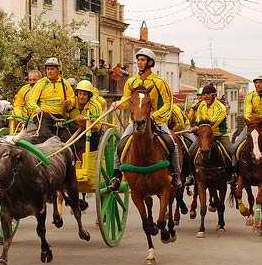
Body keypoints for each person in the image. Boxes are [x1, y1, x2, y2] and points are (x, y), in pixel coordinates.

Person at [110, 48, 182, 190]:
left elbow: (169, 103)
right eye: (138, 60)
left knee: (171, 143)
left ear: (150, 62)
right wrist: (117, 104)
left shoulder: (159, 82)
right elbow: (126, 100)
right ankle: (116, 176)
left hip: (157, 120)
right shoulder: (131, 82)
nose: (139, 62)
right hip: (136, 121)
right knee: (120, 144)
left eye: (143, 60)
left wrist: (153, 116)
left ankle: (176, 174)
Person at [26, 57, 75, 143]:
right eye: (48, 69)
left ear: (58, 70)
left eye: (52, 69)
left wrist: (70, 102)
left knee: (68, 139)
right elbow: (30, 101)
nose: (49, 71)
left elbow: (73, 98)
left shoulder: (65, 83)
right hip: (43, 116)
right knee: (44, 133)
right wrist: (37, 110)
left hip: (59, 118)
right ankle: (56, 144)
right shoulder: (41, 83)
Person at [189, 84, 232, 159]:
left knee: (230, 151)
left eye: (208, 94)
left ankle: (233, 169)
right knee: (190, 152)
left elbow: (213, 123)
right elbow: (199, 121)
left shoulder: (221, 108)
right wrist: (197, 128)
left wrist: (201, 128)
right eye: (204, 94)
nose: (206, 96)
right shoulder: (201, 105)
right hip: (204, 135)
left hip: (220, 134)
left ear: (214, 95)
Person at [68, 80, 103, 153]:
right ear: (76, 94)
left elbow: (97, 127)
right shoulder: (72, 102)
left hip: (91, 133)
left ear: (89, 96)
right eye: (80, 94)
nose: (81, 97)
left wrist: (83, 122)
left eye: (84, 94)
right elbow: (64, 115)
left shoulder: (95, 105)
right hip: (74, 131)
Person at [233, 75, 262, 155]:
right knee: (235, 147)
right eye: (256, 83)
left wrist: (257, 117)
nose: (257, 85)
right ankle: (234, 166)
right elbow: (247, 115)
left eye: (260, 82)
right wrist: (256, 118)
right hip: (252, 125)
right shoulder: (250, 96)